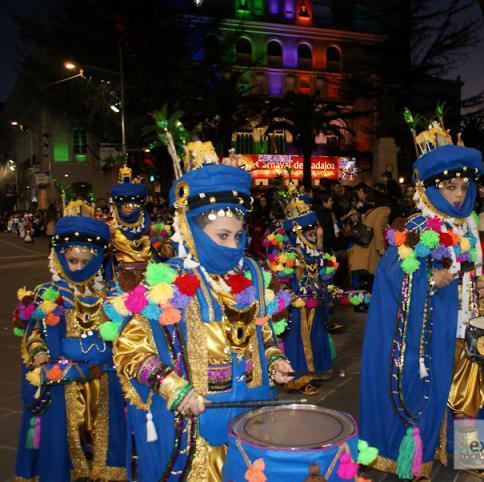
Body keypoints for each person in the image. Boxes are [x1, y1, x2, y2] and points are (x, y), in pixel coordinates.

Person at [112, 148, 294, 481]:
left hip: (251, 417)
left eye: (238, 236)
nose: (232, 246)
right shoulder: (169, 281)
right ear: (191, 231)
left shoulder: (251, 272)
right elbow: (130, 351)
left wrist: (274, 360)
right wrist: (173, 388)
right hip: (196, 430)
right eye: (221, 236)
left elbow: (261, 333)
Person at [360, 137, 484, 480]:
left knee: (470, 392)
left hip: (464, 327)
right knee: (424, 391)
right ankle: (417, 458)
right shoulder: (418, 227)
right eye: (450, 186)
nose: (457, 194)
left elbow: (470, 270)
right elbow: (393, 275)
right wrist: (428, 278)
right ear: (430, 189)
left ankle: (469, 454)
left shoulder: (467, 226)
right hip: (428, 333)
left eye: (463, 186)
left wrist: (482, 283)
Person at [14, 212, 127, 481]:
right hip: (62, 388)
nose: (77, 267)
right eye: (72, 260)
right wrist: (39, 352)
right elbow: (33, 335)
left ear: (99, 260)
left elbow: (128, 340)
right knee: (63, 454)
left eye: (85, 261)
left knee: (104, 452)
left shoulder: (113, 295)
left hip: (104, 388)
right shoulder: (47, 294)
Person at [265, 188, 340, 395]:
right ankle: (298, 379)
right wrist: (292, 297)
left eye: (315, 229)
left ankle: (315, 372)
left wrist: (328, 286)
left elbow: (321, 273)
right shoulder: (289, 254)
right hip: (297, 307)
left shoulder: (316, 251)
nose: (316, 233)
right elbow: (279, 281)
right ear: (298, 233)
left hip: (316, 302)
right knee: (299, 341)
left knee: (316, 337)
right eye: (310, 232)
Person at [107, 167, 155, 280]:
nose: (130, 208)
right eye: (126, 205)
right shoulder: (111, 226)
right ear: (118, 206)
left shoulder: (146, 224)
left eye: (134, 205)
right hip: (121, 276)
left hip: (147, 274)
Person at [347, 187, 390, 292]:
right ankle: (367, 305)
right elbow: (378, 227)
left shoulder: (371, 210)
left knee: (365, 283)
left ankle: (362, 304)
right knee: (372, 282)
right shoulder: (384, 210)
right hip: (370, 250)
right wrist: (380, 248)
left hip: (362, 250)